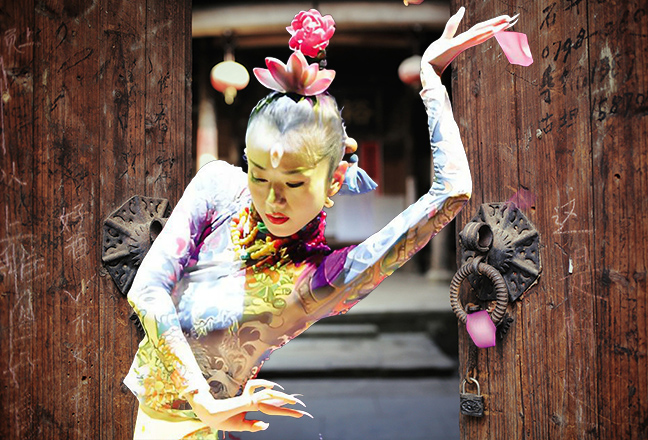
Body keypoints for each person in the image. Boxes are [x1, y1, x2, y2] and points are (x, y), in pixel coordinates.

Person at [124, 7, 520, 439]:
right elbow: (147, 289)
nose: (272, 199)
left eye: (294, 183)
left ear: (333, 179)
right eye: (258, 175)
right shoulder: (218, 185)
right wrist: (203, 401)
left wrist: (431, 80)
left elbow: (452, 192)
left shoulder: (328, 279)